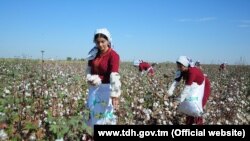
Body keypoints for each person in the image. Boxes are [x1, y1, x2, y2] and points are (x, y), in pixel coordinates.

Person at [85, 28, 121, 130]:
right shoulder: (93, 53)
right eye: (98, 42)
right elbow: (89, 69)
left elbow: (114, 75)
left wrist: (115, 95)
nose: (100, 45)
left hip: (106, 90)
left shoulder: (113, 55)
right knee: (93, 114)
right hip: (93, 89)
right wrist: (89, 78)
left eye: (102, 42)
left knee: (106, 117)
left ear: (108, 41)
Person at [167, 56, 211, 125]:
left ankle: (198, 123)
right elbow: (175, 82)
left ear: (185, 65)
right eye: (178, 66)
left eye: (180, 66)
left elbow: (186, 88)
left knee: (196, 106)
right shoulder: (181, 70)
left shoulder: (192, 72)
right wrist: (168, 93)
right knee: (189, 103)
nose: (179, 68)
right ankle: (189, 123)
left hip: (204, 86)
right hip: (194, 85)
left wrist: (178, 101)